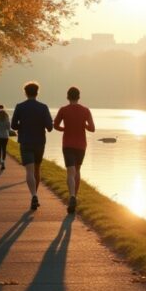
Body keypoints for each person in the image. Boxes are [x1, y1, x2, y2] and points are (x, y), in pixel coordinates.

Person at [11, 82, 53, 210]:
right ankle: (35, 195)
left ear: (25, 93)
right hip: (39, 142)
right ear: (37, 92)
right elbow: (50, 128)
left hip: (25, 141)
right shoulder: (43, 107)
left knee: (29, 171)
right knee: (37, 169)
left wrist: (21, 126)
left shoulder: (20, 106)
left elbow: (13, 125)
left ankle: (34, 195)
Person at [53, 86, 95, 214]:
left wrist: (64, 129)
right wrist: (84, 125)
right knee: (77, 171)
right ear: (79, 97)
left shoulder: (63, 110)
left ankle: (71, 196)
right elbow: (92, 128)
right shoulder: (86, 110)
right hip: (81, 145)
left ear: (67, 97)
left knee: (70, 172)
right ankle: (74, 197)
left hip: (68, 144)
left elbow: (55, 125)